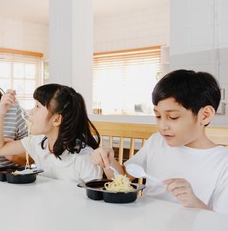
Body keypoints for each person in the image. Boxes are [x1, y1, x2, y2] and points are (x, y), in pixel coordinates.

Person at [92, 69, 228, 213]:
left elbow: (222, 222)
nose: (162, 126)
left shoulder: (222, 161)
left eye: (173, 117)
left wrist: (195, 203)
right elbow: (122, 176)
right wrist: (107, 161)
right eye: (158, 116)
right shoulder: (157, 142)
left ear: (205, 115)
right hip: (146, 224)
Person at [0, 83, 103, 183]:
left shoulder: (84, 158)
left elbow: (96, 197)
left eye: (37, 106)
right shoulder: (38, 142)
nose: (30, 112)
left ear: (56, 120)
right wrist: (1, 112)